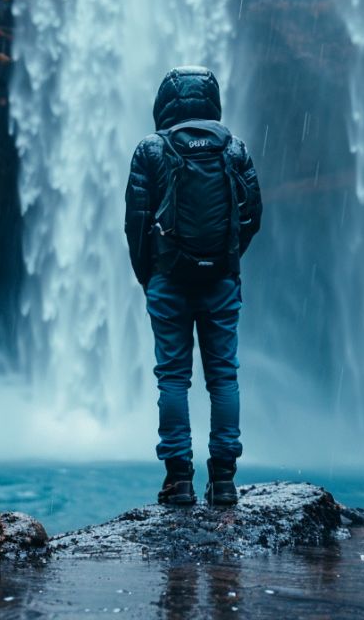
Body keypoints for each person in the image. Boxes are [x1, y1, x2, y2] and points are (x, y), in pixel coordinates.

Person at [124, 66, 263, 507]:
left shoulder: (151, 149)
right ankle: (223, 481)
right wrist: (227, 259)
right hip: (220, 279)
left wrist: (149, 274)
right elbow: (252, 215)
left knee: (173, 378)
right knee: (223, 377)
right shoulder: (234, 148)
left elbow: (136, 222)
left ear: (165, 102)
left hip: (169, 280)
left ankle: (178, 480)